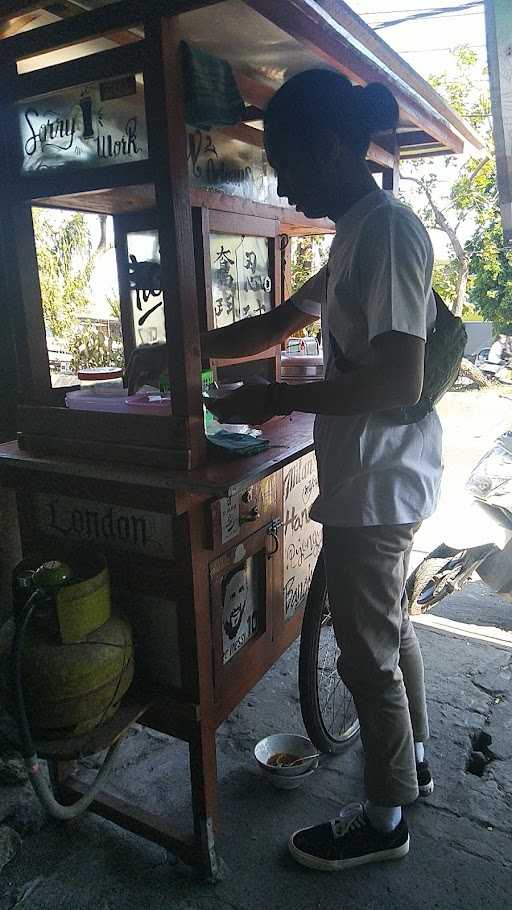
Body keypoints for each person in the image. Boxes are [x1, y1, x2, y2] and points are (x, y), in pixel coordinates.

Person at [128, 69, 440, 873]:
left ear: (331, 147)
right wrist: (182, 354)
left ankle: (384, 818)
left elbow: (399, 378)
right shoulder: (356, 235)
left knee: (365, 654)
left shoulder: (390, 233)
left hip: (379, 484)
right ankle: (412, 768)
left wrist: (269, 392)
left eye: (288, 160)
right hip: (371, 481)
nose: (283, 178)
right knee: (388, 633)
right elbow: (276, 322)